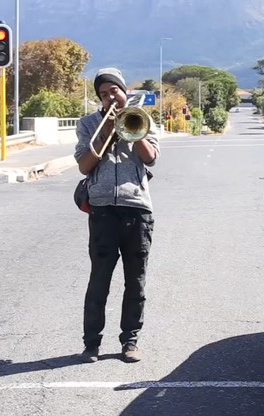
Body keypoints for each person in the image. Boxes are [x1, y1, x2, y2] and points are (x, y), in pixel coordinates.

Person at [73, 67, 161, 364]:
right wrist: (107, 132)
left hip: (137, 209)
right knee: (99, 280)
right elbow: (85, 166)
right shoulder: (88, 124)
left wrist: (132, 131)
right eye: (103, 93)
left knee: (135, 281)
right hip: (101, 211)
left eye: (114, 91)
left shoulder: (142, 119)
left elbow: (151, 158)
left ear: (124, 91)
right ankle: (91, 343)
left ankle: (130, 341)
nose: (110, 97)